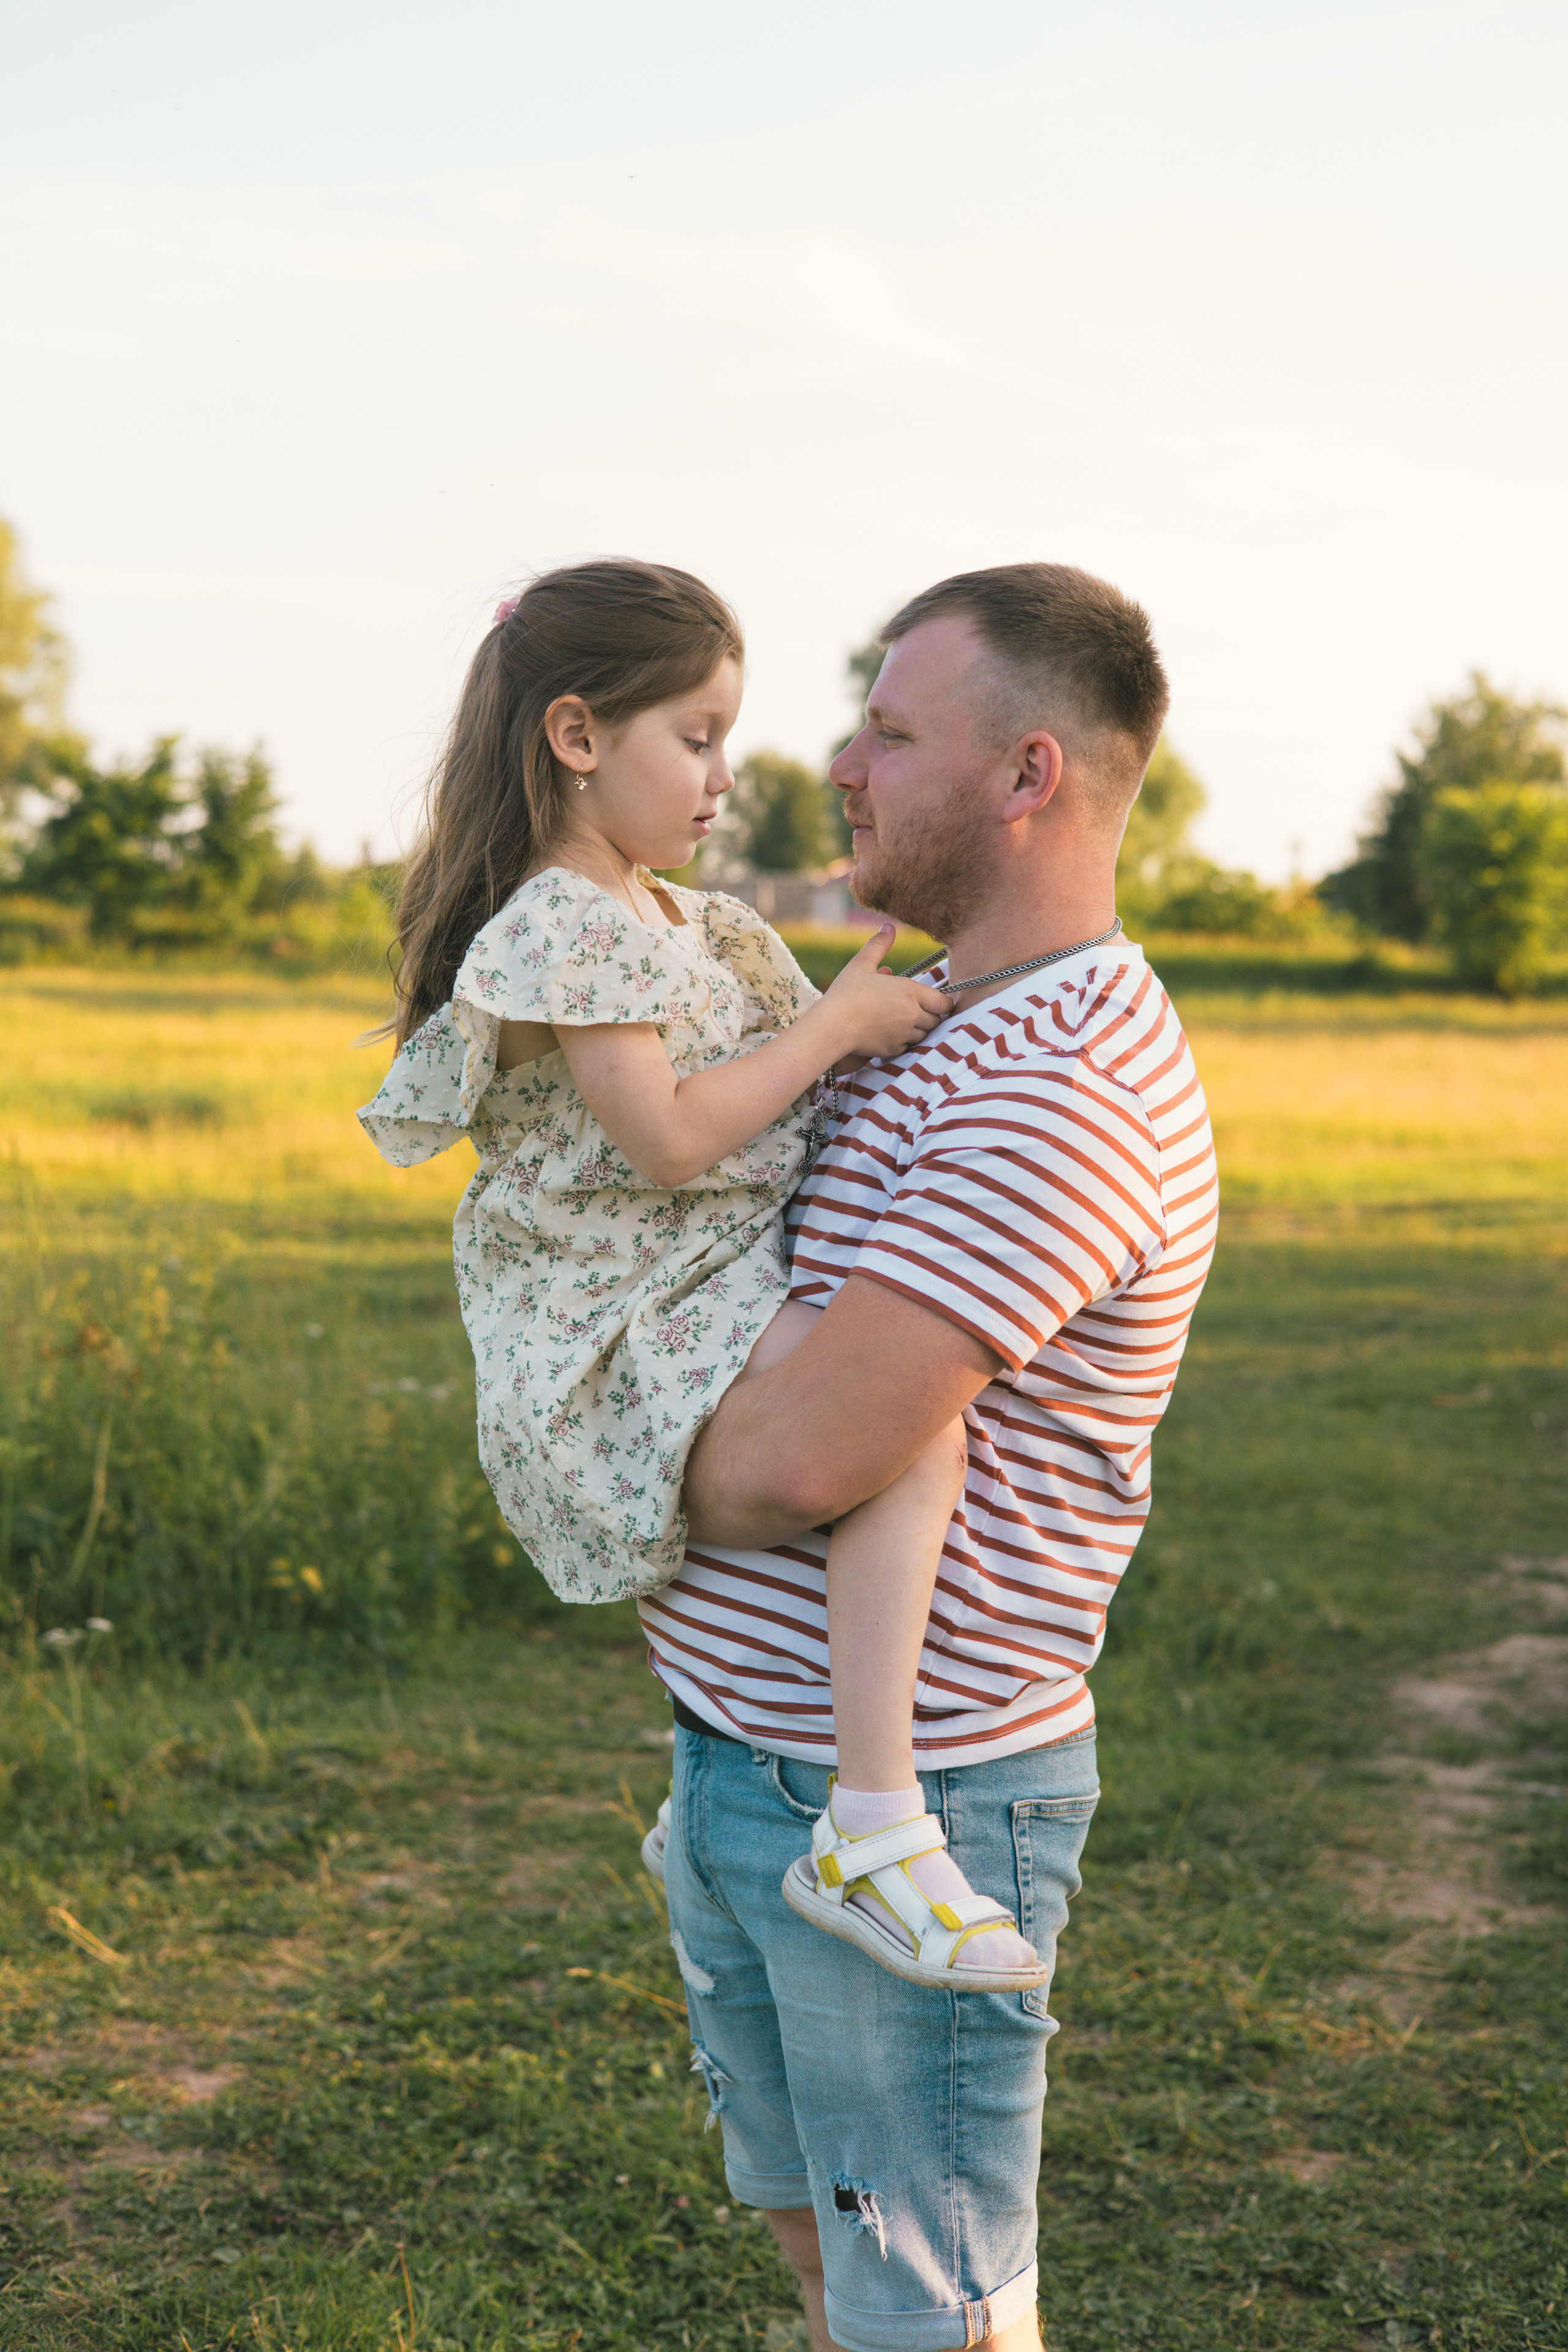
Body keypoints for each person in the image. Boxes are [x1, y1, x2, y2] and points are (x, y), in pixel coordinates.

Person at [639, 562, 1220, 2352]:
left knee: (933, 2315)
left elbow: (803, 1462)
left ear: (1027, 775)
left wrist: (588, 1452)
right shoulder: (925, 1015)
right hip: (749, 1778)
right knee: (839, 2262)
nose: (840, 762)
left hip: (914, 1815)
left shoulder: (1062, 1086)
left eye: (892, 732)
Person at [358, 557, 1047, 2002]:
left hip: (699, 1272)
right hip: (628, 1308)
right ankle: (870, 1819)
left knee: (878, 1447)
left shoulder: (670, 913)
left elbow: (818, 1069)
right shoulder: (564, 921)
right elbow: (669, 1141)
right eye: (696, 736)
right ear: (575, 737)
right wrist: (834, 1027)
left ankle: (721, 1810)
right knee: (910, 1435)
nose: (725, 776)